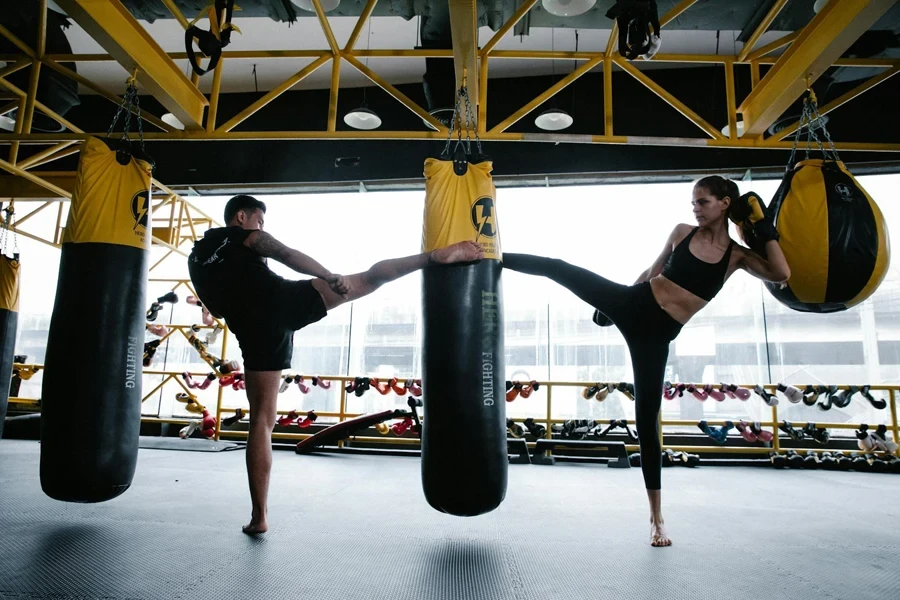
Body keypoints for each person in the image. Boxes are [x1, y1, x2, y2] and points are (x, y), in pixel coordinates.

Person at [501, 176, 790, 547]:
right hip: (632, 303)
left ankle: (656, 520)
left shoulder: (736, 256)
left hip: (656, 336)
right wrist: (611, 307)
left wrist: (766, 231)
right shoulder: (682, 232)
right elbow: (651, 273)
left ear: (724, 202)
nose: (695, 208)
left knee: (647, 420)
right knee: (559, 267)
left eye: (702, 202)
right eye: (693, 202)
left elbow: (782, 274)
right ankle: (488, 255)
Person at [188, 194, 484, 535]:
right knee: (371, 279)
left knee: (261, 424)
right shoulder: (243, 235)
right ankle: (433, 258)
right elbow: (285, 254)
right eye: (259, 220)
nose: (261, 226)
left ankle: (259, 518)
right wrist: (328, 275)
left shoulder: (196, 258)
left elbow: (219, 310)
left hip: (254, 333)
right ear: (241, 216)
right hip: (283, 301)